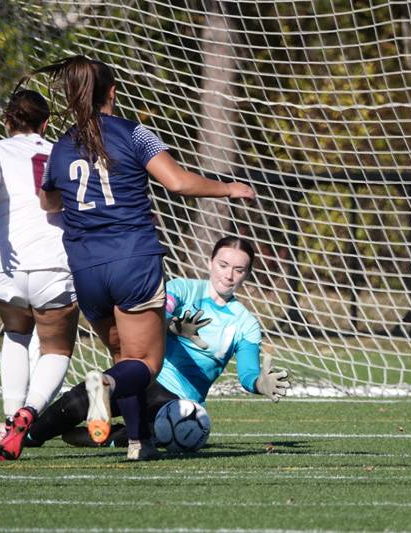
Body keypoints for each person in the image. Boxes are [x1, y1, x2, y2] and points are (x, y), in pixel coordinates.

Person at [34, 56, 256, 460]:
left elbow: (48, 200)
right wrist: (229, 188)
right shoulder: (135, 133)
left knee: (123, 357)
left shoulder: (62, 145)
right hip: (132, 259)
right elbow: (177, 182)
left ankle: (139, 442)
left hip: (85, 267)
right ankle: (106, 388)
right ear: (112, 93)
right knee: (144, 364)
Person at [0, 236, 291, 451]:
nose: (229, 275)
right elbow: (158, 314)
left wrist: (261, 383)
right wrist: (173, 327)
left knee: (175, 430)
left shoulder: (246, 323)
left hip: (178, 401)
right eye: (224, 265)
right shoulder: (183, 289)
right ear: (211, 262)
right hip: (146, 373)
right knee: (80, 400)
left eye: (239, 269)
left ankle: (106, 434)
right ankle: (26, 437)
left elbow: (248, 373)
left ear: (247, 274)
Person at [0, 89, 80, 462]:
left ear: (7, 121)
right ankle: (30, 413)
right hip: (53, 262)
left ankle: (10, 418)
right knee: (56, 347)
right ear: (45, 123)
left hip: (4, 264)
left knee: (15, 333)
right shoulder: (64, 149)